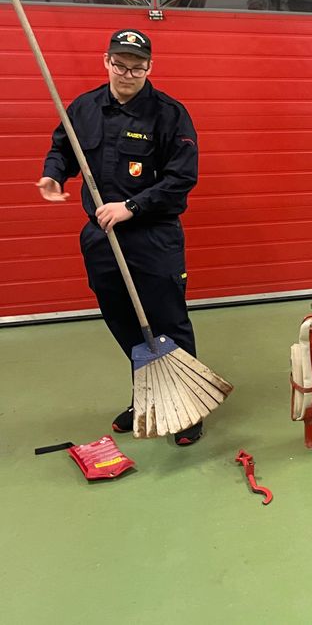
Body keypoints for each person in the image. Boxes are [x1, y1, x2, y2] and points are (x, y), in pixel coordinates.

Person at [37, 29, 203, 446]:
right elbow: (63, 148)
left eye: (136, 67)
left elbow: (182, 178)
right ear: (106, 61)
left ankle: (186, 407)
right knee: (125, 323)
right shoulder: (84, 107)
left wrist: (131, 207)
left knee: (167, 322)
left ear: (150, 67)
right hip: (102, 239)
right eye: (120, 65)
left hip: (153, 236)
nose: (127, 74)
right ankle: (147, 396)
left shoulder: (169, 114)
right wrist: (53, 174)